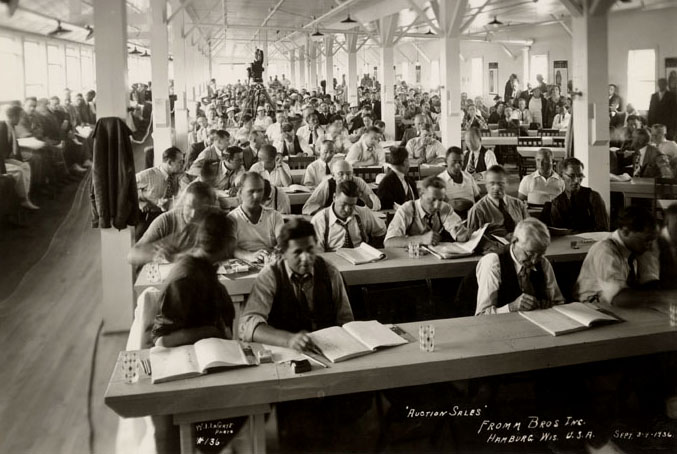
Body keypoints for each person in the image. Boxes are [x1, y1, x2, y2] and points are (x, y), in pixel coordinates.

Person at [238, 218, 362, 452]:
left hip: (331, 360)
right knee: (300, 426)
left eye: (310, 250)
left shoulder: (330, 271)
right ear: (283, 252)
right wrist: (289, 339)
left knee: (345, 417)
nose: (306, 258)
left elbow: (346, 320)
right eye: (298, 252)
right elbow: (247, 325)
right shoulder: (271, 275)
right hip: (290, 365)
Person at [150, 208, 239, 453]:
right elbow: (162, 341)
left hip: (203, 360)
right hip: (181, 374)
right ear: (227, 243)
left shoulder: (204, 267)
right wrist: (211, 331)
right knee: (250, 401)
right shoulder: (187, 276)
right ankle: (206, 445)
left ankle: (209, 445)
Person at [473, 218, 565, 315]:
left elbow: (558, 302)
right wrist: (511, 307)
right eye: (529, 253)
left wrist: (548, 304)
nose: (534, 261)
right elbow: (482, 315)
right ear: (514, 241)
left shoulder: (543, 263)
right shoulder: (493, 263)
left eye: (540, 254)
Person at [573, 206, 660, 306]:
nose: (651, 246)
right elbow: (618, 298)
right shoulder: (605, 251)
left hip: (626, 304)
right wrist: (662, 297)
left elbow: (649, 280)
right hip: (594, 307)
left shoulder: (641, 246)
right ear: (625, 231)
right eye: (647, 240)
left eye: (653, 239)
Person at [128, 182, 217, 266]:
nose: (193, 215)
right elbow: (132, 255)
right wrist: (156, 253)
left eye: (200, 210)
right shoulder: (166, 221)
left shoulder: (212, 221)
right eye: (189, 207)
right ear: (183, 203)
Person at [384, 176, 469, 247]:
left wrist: (461, 235)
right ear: (421, 194)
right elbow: (389, 242)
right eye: (432, 200)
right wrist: (421, 239)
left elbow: (456, 228)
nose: (437, 206)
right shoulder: (406, 210)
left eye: (441, 200)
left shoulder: (444, 208)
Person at [311, 179, 386, 252]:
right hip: (334, 261)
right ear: (334, 198)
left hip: (362, 258)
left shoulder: (363, 213)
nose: (347, 209)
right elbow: (317, 253)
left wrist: (374, 250)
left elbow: (381, 231)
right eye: (343, 204)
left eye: (352, 205)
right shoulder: (319, 220)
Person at [540, 157, 609, 233]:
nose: (576, 180)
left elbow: (603, 230)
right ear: (561, 176)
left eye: (580, 176)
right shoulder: (557, 203)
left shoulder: (593, 197)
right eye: (571, 176)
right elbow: (558, 233)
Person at [228, 172, 284, 263]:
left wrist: (275, 253)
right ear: (240, 192)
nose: (257, 196)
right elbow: (231, 248)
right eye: (251, 191)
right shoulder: (232, 218)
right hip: (243, 263)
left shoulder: (275, 216)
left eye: (260, 191)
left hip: (269, 262)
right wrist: (250, 256)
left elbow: (283, 242)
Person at [467, 165, 529, 237]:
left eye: (500, 183)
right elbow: (473, 240)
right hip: (495, 246)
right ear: (486, 185)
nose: (496, 188)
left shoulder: (518, 204)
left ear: (507, 184)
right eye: (492, 183)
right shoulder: (478, 210)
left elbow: (529, 229)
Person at [302, 159, 381, 215]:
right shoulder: (327, 184)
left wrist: (363, 196)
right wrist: (331, 213)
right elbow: (308, 207)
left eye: (349, 174)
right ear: (333, 175)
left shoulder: (358, 182)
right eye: (341, 174)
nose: (345, 178)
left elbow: (376, 206)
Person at [0, 105, 39, 210]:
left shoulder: (11, 126)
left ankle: (26, 196)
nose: (20, 119)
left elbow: (13, 146)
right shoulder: (2, 126)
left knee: (26, 166)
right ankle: (22, 199)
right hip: (1, 162)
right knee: (19, 171)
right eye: (19, 117)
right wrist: (3, 172)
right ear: (13, 117)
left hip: (5, 159)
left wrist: (19, 160)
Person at [136, 146, 185, 214]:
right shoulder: (148, 175)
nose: (182, 165)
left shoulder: (176, 175)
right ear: (170, 163)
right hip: (148, 215)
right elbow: (126, 187)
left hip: (167, 213)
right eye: (180, 162)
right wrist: (140, 203)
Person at [437, 146, 481, 216]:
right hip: (450, 218)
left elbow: (478, 199)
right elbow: (437, 207)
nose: (457, 165)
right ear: (446, 161)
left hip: (471, 217)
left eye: (460, 162)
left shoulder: (469, 177)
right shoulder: (440, 181)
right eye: (454, 161)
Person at [376, 146, 418, 210]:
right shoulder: (387, 182)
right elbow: (385, 206)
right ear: (405, 162)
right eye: (408, 160)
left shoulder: (409, 180)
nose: (409, 164)